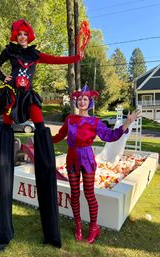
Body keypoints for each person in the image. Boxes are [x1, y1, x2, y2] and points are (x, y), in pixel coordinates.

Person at [0, 19, 90, 251]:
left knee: (40, 124)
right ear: (16, 35)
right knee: (5, 127)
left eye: (26, 34)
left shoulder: (35, 55)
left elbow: (56, 60)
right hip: (13, 97)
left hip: (29, 97)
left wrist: (76, 58)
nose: (23, 37)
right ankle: (4, 232)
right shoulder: (10, 51)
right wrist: (3, 77)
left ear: (30, 36)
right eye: (20, 34)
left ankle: (45, 159)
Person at [52, 85, 140, 244]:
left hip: (87, 158)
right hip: (71, 158)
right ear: (77, 102)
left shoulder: (95, 121)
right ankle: (78, 224)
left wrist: (127, 122)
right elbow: (59, 135)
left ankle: (94, 227)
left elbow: (111, 135)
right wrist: (43, 138)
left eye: (85, 99)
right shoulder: (70, 119)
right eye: (80, 99)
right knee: (74, 193)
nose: (82, 101)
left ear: (90, 102)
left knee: (89, 193)